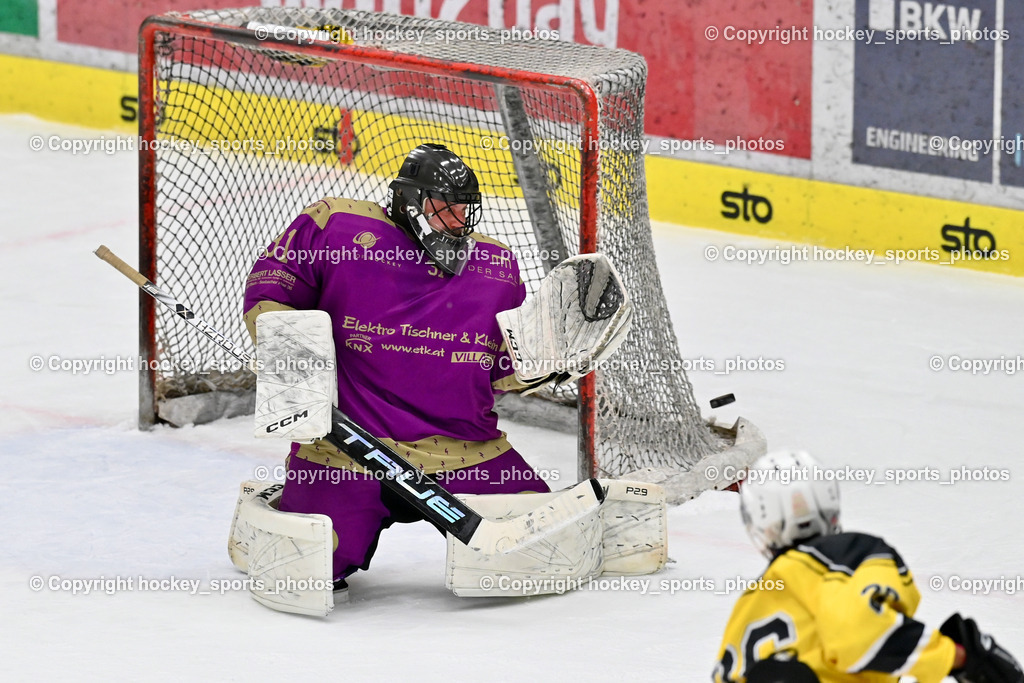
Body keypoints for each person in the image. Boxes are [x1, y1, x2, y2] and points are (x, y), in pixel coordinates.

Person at [242, 143, 558, 597]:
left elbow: (500, 368)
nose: (456, 222)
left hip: (463, 448)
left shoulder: (496, 267)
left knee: (537, 552)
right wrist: (288, 355)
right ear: (410, 202)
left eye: (463, 211)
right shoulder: (336, 226)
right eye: (442, 210)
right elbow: (274, 288)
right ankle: (265, 519)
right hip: (345, 448)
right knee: (303, 573)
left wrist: (547, 365)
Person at [712, 450, 1023, 683]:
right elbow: (856, 638)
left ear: (758, 524)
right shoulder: (853, 555)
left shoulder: (756, 598)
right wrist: (959, 657)